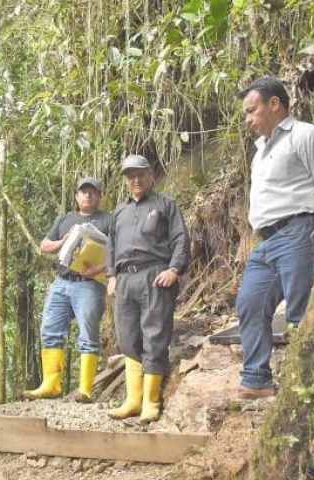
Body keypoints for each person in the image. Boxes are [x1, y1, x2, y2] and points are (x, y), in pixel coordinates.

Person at [235, 77, 314, 399]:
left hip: (302, 227)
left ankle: (309, 385)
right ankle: (257, 379)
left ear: (275, 104)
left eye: (251, 111)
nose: (248, 120)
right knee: (249, 302)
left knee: (301, 310)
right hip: (267, 240)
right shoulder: (260, 152)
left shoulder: (306, 135)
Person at [106, 155, 190, 422]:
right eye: (130, 175)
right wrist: (111, 275)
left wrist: (174, 269)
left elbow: (180, 238)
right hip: (125, 280)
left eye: (140, 173)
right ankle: (133, 400)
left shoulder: (165, 204)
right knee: (128, 338)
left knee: (154, 336)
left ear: (150, 175)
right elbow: (111, 244)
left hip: (155, 275)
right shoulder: (120, 211)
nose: (136, 179)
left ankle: (151, 402)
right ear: (126, 180)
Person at [22, 177, 111, 403]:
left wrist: (100, 268)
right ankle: (51, 384)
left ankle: (85, 389)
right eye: (83, 192)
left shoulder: (109, 220)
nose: (87, 196)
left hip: (91, 284)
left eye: (93, 192)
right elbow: (44, 246)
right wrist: (63, 242)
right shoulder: (66, 218)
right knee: (50, 328)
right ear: (76, 196)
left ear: (100, 196)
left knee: (88, 333)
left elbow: (120, 253)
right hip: (62, 281)